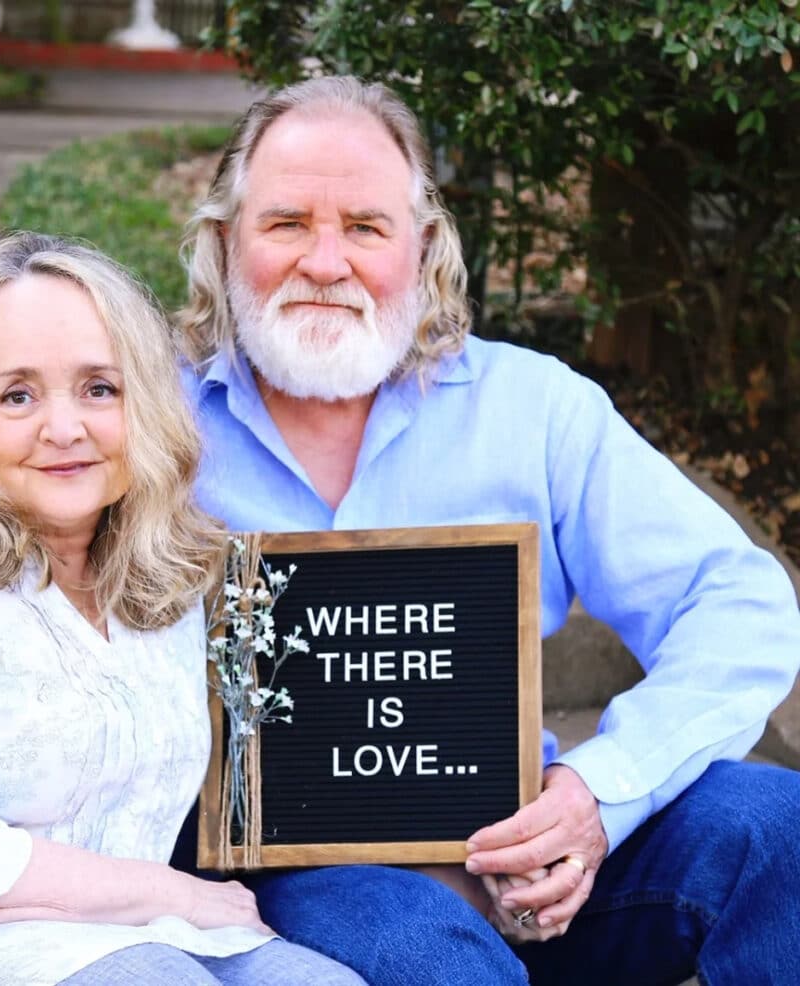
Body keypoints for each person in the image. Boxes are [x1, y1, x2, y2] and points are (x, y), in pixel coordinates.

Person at [176, 76, 800, 985]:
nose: (324, 260)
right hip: (298, 878)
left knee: (775, 830)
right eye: (285, 224)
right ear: (226, 240)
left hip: (529, 858)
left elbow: (734, 599)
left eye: (364, 226)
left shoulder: (534, 408)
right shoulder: (152, 423)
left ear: (423, 245)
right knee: (423, 949)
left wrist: (598, 792)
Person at [0, 232, 368, 986]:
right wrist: (179, 893)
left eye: (99, 388)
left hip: (135, 938)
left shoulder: (156, 570)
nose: (64, 429)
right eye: (17, 394)